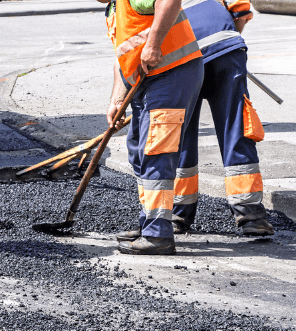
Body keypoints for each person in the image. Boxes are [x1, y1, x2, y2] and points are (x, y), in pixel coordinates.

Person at [101, 0, 204, 254]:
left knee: (156, 151)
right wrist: (116, 100)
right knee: (137, 148)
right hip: (147, 81)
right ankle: (149, 222)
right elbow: (122, 58)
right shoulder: (114, 10)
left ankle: (158, 234)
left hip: (172, 73)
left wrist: (153, 44)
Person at [169, 0, 274, 236]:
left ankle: (177, 214)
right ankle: (251, 215)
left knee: (180, 132)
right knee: (235, 126)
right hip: (225, 48)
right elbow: (240, 12)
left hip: (180, 54)